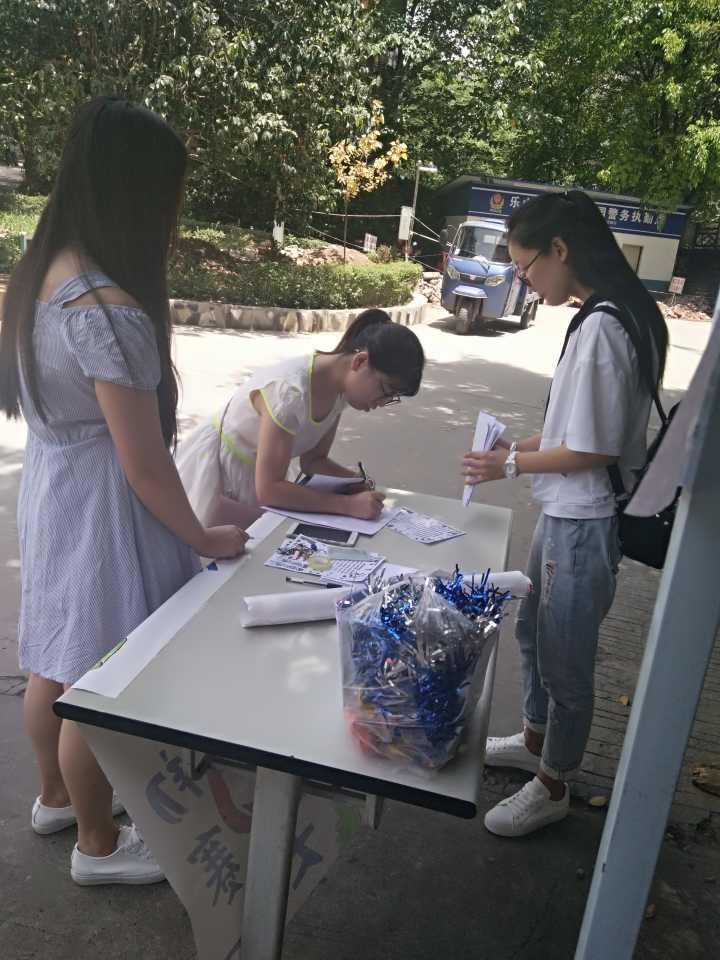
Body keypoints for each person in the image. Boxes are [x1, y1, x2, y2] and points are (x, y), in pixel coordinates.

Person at [0, 96, 246, 884]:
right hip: (102, 507)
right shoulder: (105, 309)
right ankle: (98, 843)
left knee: (54, 655)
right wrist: (203, 536)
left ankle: (54, 799)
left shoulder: (40, 273)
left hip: (53, 487)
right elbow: (143, 465)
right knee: (100, 678)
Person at [462, 190, 668, 837]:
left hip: (584, 522)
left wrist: (511, 466)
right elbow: (572, 429)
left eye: (526, 267)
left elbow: (595, 448)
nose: (524, 281)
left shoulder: (605, 325)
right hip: (565, 513)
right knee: (534, 631)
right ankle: (536, 739)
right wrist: (515, 448)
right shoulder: (609, 313)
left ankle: (555, 782)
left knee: (565, 656)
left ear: (560, 249)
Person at [176, 309, 425, 528]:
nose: (381, 403)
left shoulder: (339, 393)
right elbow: (270, 490)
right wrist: (347, 505)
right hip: (221, 476)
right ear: (360, 362)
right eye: (385, 391)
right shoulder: (290, 394)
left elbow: (314, 461)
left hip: (257, 478)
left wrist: (356, 481)